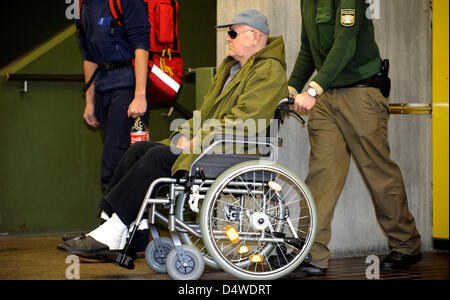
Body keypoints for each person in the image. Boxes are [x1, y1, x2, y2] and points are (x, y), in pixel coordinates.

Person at [58, 9, 289, 258]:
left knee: (155, 159)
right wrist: (185, 134)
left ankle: (114, 231)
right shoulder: (231, 70)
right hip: (212, 145)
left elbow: (245, 120)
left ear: (254, 36)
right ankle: (111, 224)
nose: (227, 38)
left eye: (232, 33)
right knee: (139, 149)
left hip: (232, 149)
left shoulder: (268, 71)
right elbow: (204, 113)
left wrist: (200, 138)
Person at [288, 0, 421, 275]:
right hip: (326, 96)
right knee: (322, 174)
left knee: (378, 173)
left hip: (360, 92)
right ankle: (312, 252)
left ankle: (406, 245)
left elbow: (345, 45)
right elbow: (307, 50)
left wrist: (312, 90)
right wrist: (291, 86)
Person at [74, 0, 151, 253]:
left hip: (127, 86)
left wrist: (140, 95)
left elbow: (141, 46)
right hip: (104, 86)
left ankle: (114, 235)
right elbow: (89, 55)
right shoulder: (83, 4)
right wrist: (89, 100)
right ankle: (132, 235)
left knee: (116, 161)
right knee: (117, 165)